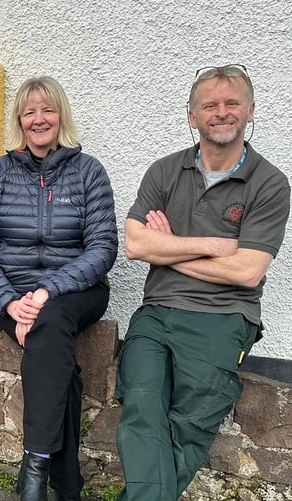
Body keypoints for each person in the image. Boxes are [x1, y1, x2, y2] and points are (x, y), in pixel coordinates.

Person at [115, 65, 290, 500]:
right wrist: (213, 245)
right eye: (209, 105)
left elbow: (248, 271)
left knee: (188, 427)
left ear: (251, 112)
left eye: (232, 103)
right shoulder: (164, 171)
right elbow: (136, 244)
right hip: (156, 313)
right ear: (192, 116)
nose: (221, 112)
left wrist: (170, 247)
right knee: (141, 410)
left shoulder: (270, 184)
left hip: (225, 317)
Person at [0, 76, 118, 501]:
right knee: (60, 369)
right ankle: (67, 486)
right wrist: (11, 302)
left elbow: (103, 248)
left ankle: (33, 465)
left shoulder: (89, 171)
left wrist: (48, 289)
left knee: (49, 320)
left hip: (77, 291)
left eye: (47, 110)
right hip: (12, 293)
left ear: (61, 116)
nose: (39, 119)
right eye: (30, 111)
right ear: (19, 119)